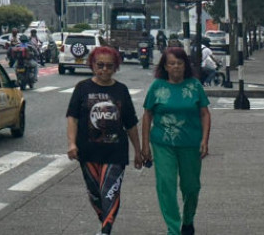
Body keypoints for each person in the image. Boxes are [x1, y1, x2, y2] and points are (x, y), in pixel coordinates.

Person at [66, 46, 143, 235]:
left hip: (115, 153)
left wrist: (138, 151)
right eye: (100, 65)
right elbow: (72, 118)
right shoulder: (82, 88)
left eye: (109, 66)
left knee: (110, 193)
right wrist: (72, 143)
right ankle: (105, 220)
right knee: (95, 195)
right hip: (88, 152)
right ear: (92, 65)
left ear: (115, 67)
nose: (104, 70)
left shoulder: (121, 90)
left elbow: (131, 124)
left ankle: (106, 230)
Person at [142, 47, 211, 235]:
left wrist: (205, 139)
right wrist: (144, 145)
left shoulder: (194, 86)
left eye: (179, 63)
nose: (176, 67)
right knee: (166, 184)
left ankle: (188, 220)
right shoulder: (157, 87)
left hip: (190, 143)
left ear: (185, 65)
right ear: (165, 66)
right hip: (163, 143)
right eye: (171, 63)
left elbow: (204, 114)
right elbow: (147, 115)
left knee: (191, 186)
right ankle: (173, 228)